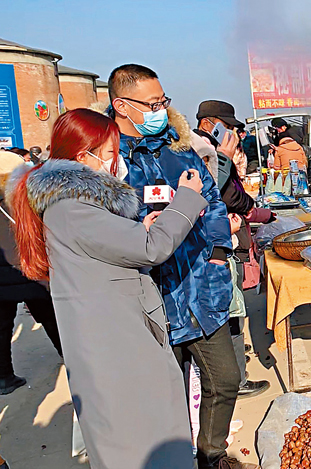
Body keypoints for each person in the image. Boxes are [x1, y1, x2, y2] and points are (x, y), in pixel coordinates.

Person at [8, 109, 206, 468]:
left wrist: (138, 228)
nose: (117, 162)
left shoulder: (72, 204)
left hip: (111, 336)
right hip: (117, 345)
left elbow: (113, 249)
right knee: (142, 438)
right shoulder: (73, 207)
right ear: (85, 156)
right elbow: (153, 249)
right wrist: (187, 199)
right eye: (112, 152)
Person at [105, 64, 256, 469]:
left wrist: (219, 255)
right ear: (121, 105)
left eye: (163, 101)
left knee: (224, 380)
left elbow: (212, 203)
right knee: (162, 397)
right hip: (149, 299)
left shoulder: (179, 147)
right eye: (151, 104)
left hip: (199, 287)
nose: (160, 109)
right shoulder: (108, 157)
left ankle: (212, 454)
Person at [192, 99, 272, 398]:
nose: (234, 133)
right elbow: (215, 191)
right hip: (216, 247)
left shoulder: (210, 150)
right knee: (229, 311)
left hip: (225, 238)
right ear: (211, 123)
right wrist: (224, 159)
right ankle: (235, 378)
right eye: (230, 126)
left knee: (231, 310)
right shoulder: (203, 151)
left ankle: (235, 364)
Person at [0, 150, 62, 395]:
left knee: (2, 328)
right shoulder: (26, 197)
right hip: (31, 269)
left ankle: (4, 378)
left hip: (1, 277)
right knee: (51, 317)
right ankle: (69, 355)